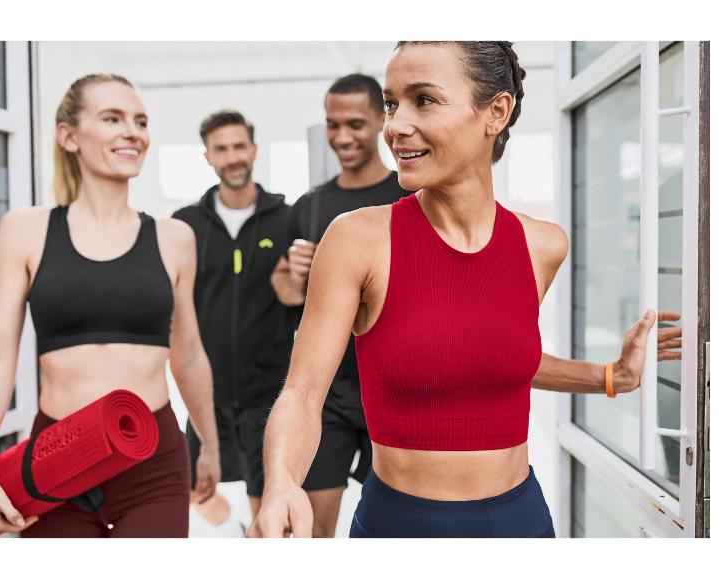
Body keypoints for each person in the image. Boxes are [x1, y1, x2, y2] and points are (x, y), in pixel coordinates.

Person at [248, 42, 683, 538]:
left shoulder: (543, 245)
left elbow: (487, 355)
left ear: (496, 112)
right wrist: (282, 483)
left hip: (520, 522)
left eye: (424, 100)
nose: (394, 126)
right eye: (392, 103)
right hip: (399, 527)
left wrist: (610, 377)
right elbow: (303, 392)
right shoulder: (357, 239)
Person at [0, 74, 221, 538]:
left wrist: (209, 444)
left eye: (140, 121)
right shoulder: (24, 230)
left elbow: (189, 355)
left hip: (154, 462)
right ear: (69, 137)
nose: (133, 132)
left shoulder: (174, 238)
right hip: (56, 460)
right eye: (112, 118)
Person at [270, 73, 410, 537]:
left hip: (393, 390)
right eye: (333, 124)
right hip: (327, 393)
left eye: (354, 123)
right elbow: (287, 297)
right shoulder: (309, 206)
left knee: (396, 527)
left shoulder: (410, 198)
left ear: (380, 121)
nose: (343, 136)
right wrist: (293, 275)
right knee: (309, 529)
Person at [173, 110, 294, 523]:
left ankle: (255, 537)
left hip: (269, 393)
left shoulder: (287, 218)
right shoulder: (186, 225)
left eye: (239, 146)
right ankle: (237, 532)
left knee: (268, 503)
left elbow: (304, 297)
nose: (233, 157)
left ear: (254, 150)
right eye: (221, 149)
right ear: (207, 156)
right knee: (196, 491)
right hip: (209, 394)